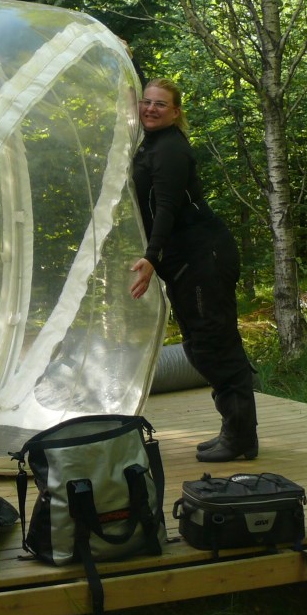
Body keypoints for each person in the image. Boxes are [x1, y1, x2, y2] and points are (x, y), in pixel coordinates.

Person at [129, 78, 258, 462]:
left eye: (160, 104)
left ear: (176, 112)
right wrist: (130, 58)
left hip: (204, 256)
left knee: (214, 344)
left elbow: (166, 207)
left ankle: (240, 437)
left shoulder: (170, 149)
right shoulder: (152, 141)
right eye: (146, 102)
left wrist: (151, 257)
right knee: (200, 346)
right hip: (186, 260)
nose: (150, 109)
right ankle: (235, 430)